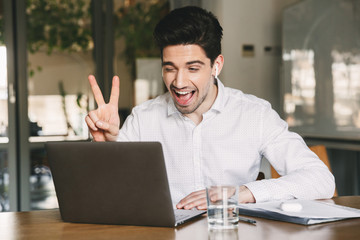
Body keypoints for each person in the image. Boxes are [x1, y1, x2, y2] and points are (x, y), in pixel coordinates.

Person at [85, 6, 335, 210]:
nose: (179, 82)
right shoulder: (143, 118)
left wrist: (243, 193)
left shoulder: (255, 114)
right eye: (169, 68)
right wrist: (108, 147)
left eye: (193, 68)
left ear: (216, 66)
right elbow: (108, 195)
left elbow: (321, 180)